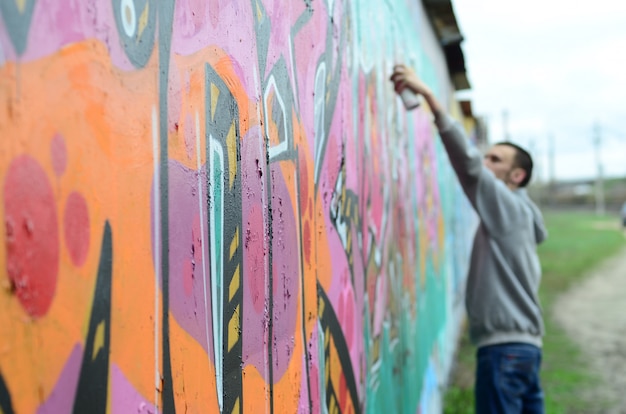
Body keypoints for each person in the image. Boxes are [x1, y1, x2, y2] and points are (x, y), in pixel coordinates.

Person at [390, 64, 547, 414]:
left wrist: (431, 98)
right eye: (487, 154)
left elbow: (470, 167)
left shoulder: (508, 209)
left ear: (516, 176)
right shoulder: (518, 215)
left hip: (504, 352)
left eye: (496, 159)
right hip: (525, 351)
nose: (485, 161)